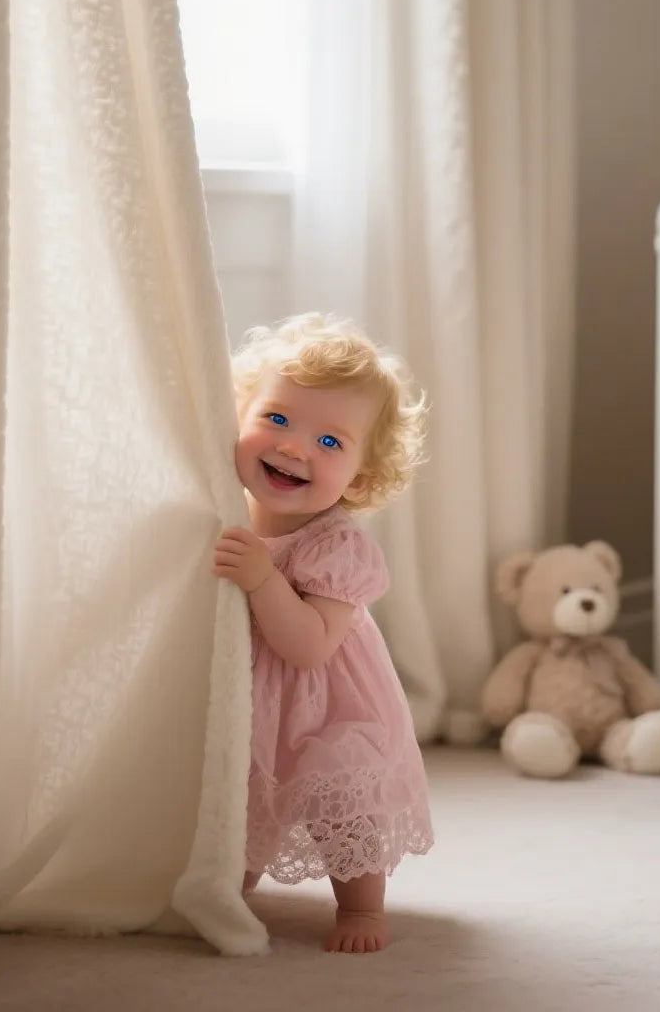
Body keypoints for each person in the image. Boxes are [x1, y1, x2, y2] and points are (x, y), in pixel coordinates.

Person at [213, 312, 432, 954]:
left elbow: (308, 646)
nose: (295, 448)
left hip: (328, 706)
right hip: (252, 705)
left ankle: (362, 909)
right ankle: (226, 887)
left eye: (330, 443)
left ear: (360, 480)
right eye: (276, 419)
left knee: (345, 801)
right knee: (238, 811)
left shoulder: (337, 547)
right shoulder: (222, 508)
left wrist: (261, 578)